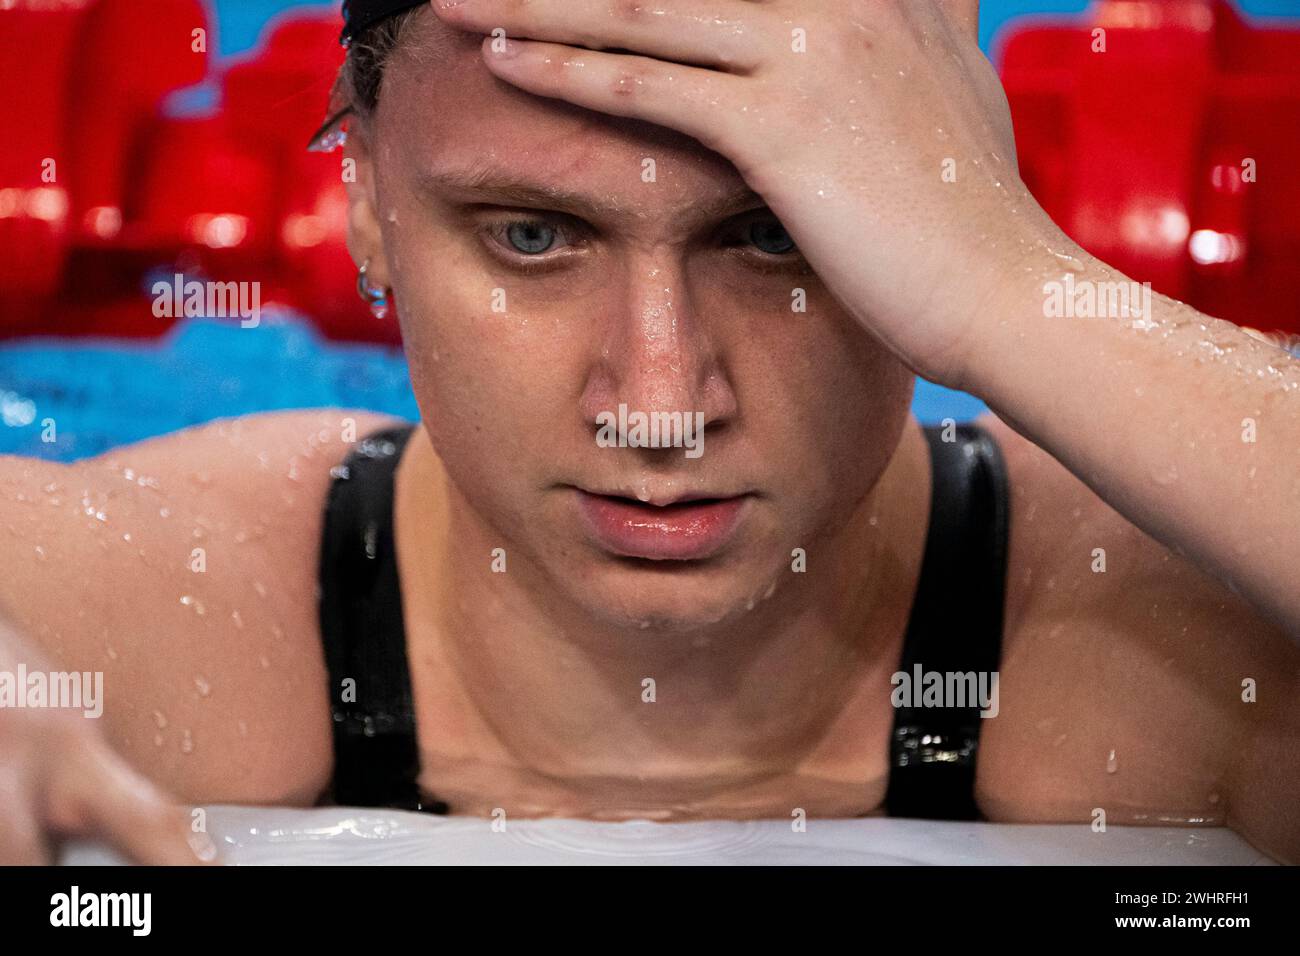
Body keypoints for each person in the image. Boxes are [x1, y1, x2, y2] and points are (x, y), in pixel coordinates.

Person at [0, 0, 1296, 865]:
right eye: (532, 235)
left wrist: (1011, 291)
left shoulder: (1166, 655)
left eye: (774, 235)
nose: (660, 404)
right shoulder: (164, 618)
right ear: (364, 203)